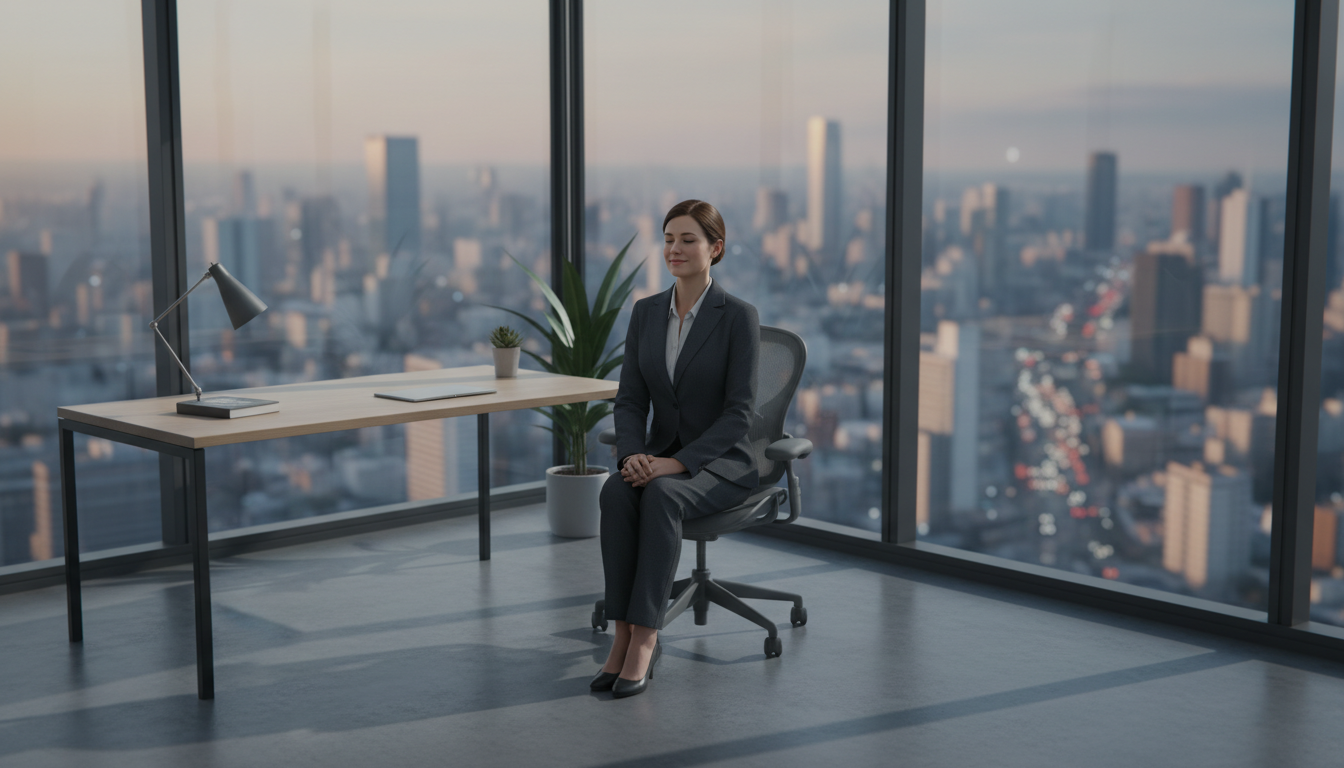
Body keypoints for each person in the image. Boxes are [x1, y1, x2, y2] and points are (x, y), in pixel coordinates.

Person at [591, 199, 761, 698]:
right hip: (657, 456)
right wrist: (633, 456)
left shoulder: (739, 317)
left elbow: (739, 415)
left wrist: (676, 463)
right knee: (616, 491)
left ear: (716, 248)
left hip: (721, 463)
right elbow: (629, 399)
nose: (675, 249)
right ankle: (622, 632)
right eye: (668, 239)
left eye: (688, 240)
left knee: (663, 495)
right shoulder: (645, 313)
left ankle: (645, 637)